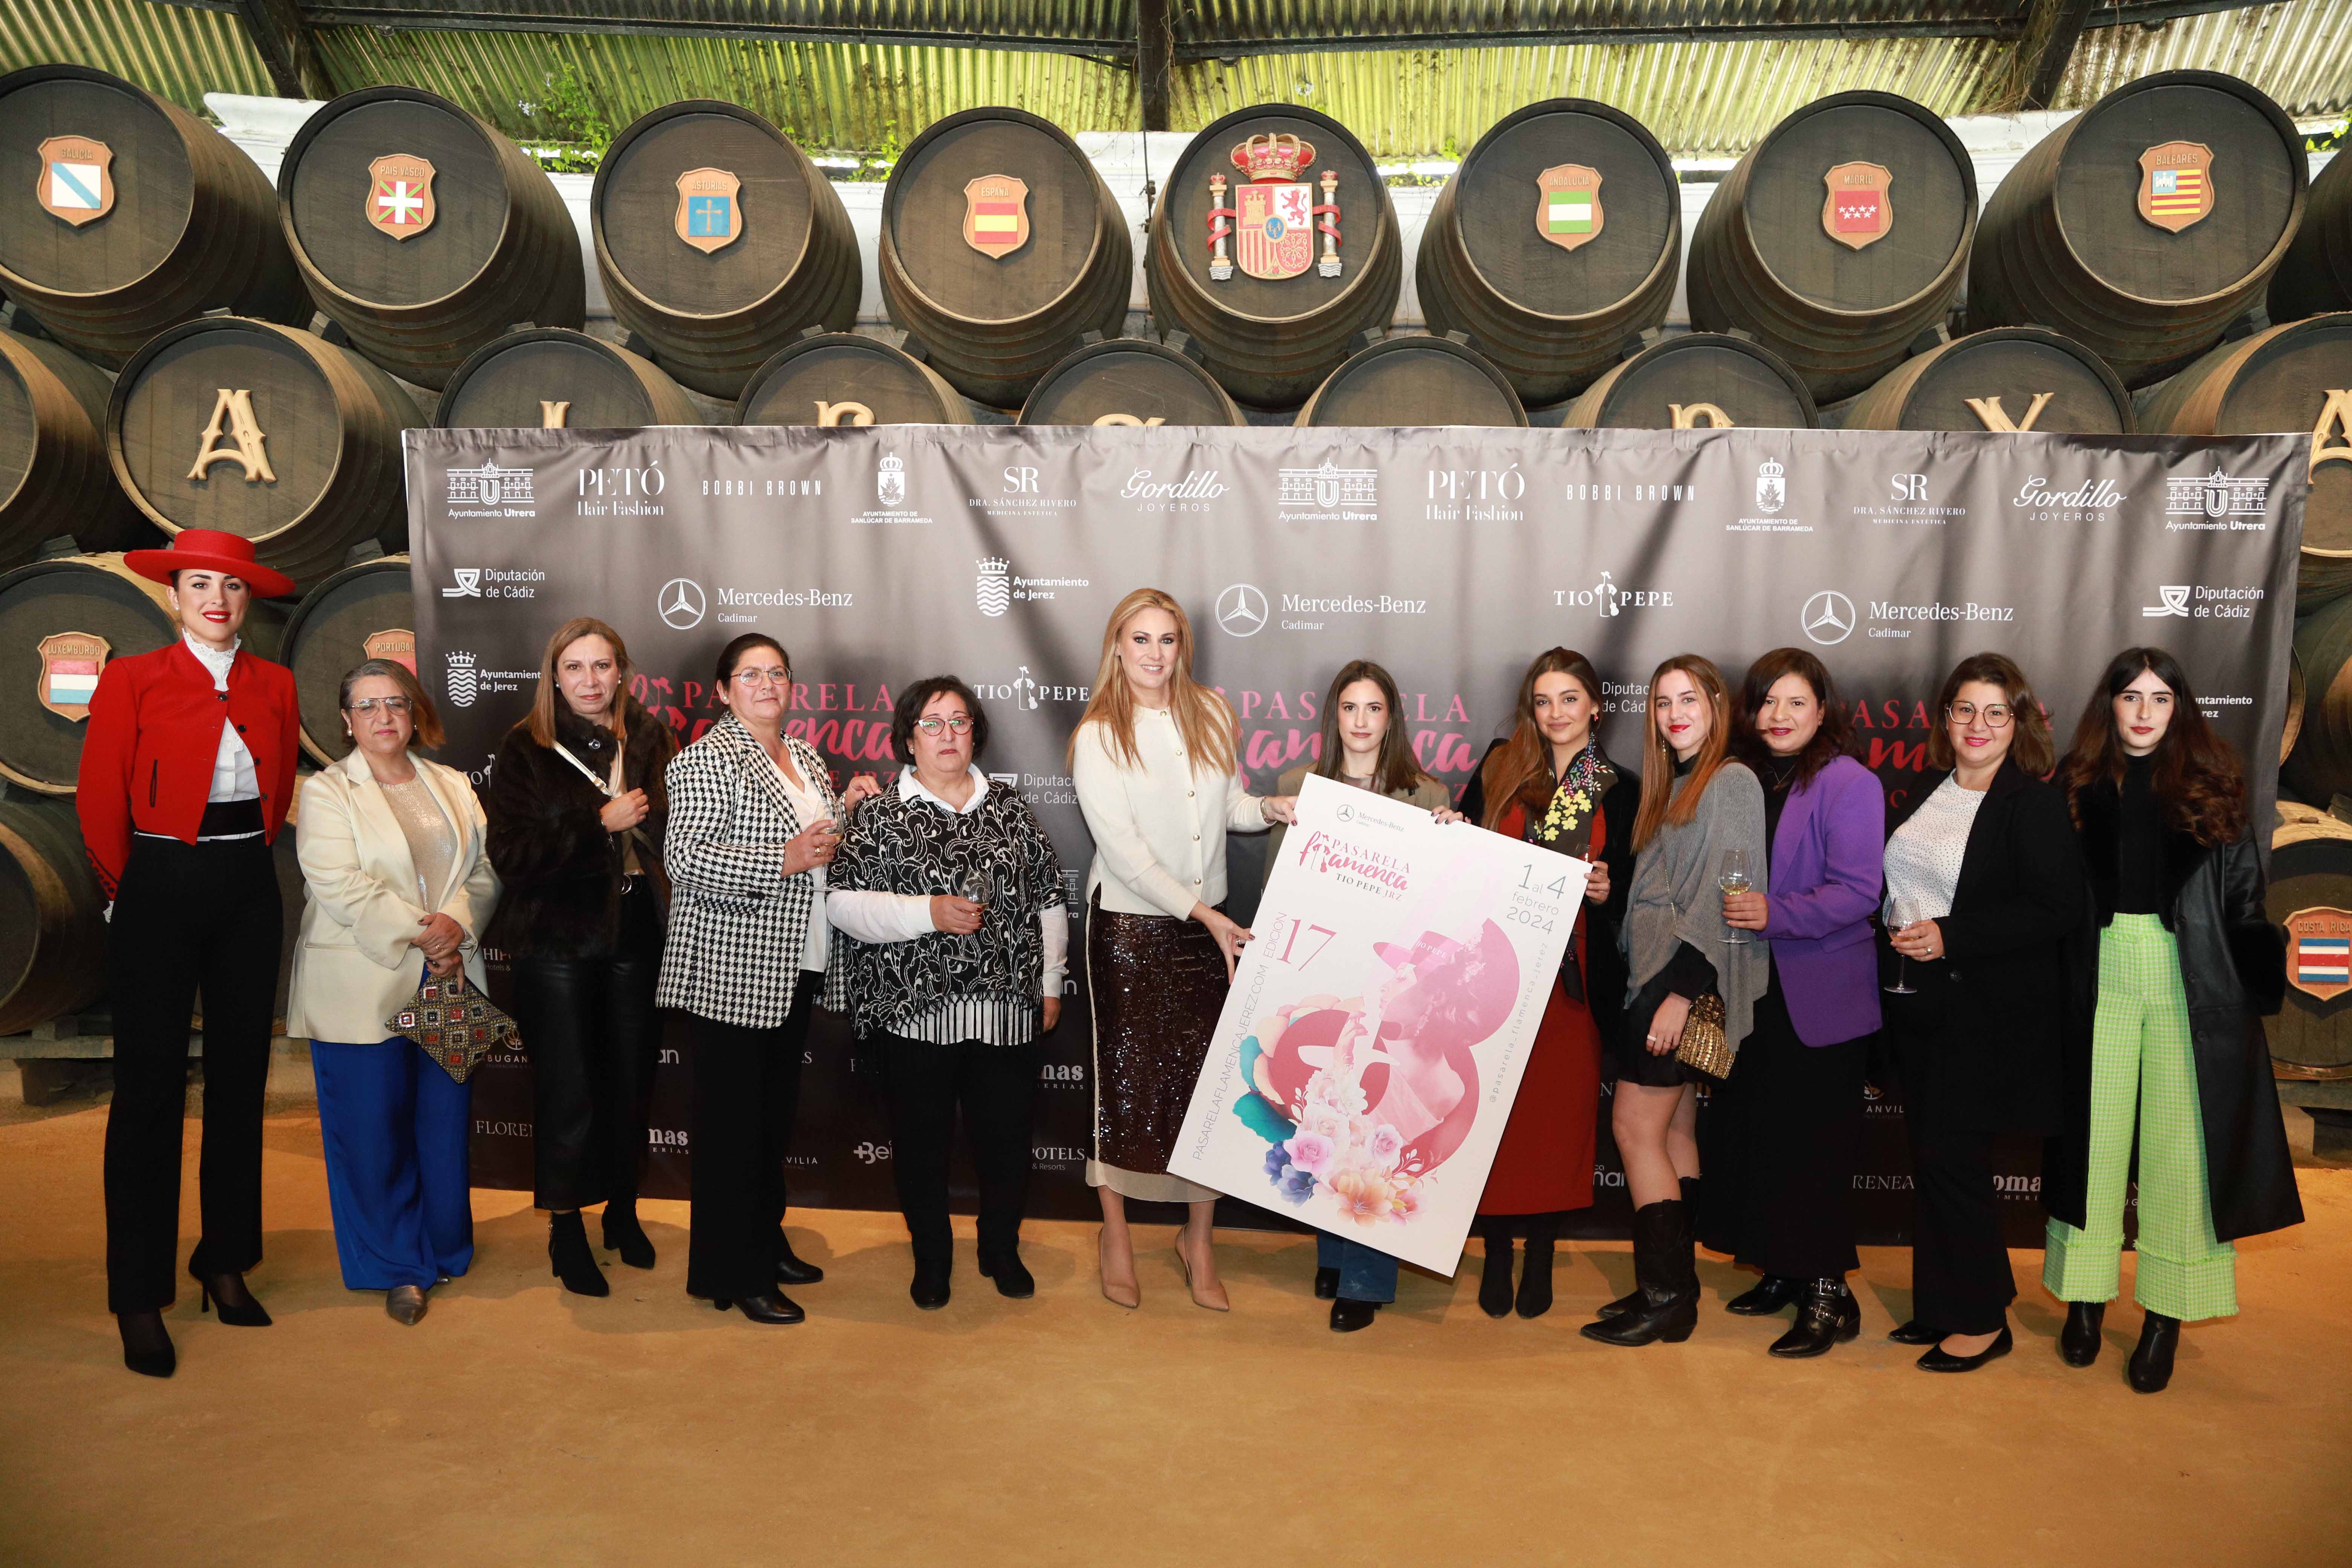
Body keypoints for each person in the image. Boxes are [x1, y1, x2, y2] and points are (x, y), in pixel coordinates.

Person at [2042, 647, 2301, 1392]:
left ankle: (2165, 1317)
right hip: (2099, 974)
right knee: (2092, 1145)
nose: (2146, 711)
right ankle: (2085, 1298)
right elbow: (2052, 895)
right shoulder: (2075, 782)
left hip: (2191, 975)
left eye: (2161, 698)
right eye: (2132, 696)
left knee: (2179, 1155)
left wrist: (2256, 981)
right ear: (2111, 704)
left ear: (2180, 707)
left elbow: (2243, 898)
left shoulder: (2213, 780)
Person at [76, 530, 299, 1378]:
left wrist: (242, 868)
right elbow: (100, 795)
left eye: (231, 587)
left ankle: (225, 1260)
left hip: (247, 880)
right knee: (149, 1088)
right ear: (174, 597)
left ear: (248, 602)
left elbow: (277, 787)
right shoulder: (132, 678)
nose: (216, 599)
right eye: (200, 584)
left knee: (242, 1079)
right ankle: (139, 1293)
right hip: (157, 878)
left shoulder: (275, 684)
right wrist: (124, 893)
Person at [1070, 588, 1295, 1312]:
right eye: (1141, 639)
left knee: (1208, 1087)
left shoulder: (1212, 714)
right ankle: (1115, 1235)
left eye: (1167, 640)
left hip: (1207, 930)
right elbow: (1126, 855)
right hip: (1131, 930)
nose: (1155, 654)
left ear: (1182, 647)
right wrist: (1206, 916)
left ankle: (1198, 1240)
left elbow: (1229, 809)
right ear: (1117, 646)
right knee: (1125, 1084)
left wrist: (1270, 809)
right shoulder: (1098, 735)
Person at [825, 676, 1069, 1310]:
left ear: (975, 734)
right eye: (931, 724)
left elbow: (1049, 897)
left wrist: (1049, 982)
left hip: (1006, 1011)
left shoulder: (1010, 807)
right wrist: (926, 913)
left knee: (1006, 1142)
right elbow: (843, 904)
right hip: (913, 1016)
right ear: (909, 739)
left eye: (959, 722)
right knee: (921, 1147)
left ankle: (1000, 1249)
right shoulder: (880, 814)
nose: (947, 735)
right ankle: (932, 1259)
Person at [659, 635, 881, 1324]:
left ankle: (764, 1240)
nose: (766, 684)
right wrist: (780, 858)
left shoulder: (805, 756)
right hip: (731, 968)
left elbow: (819, 846)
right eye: (750, 674)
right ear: (723, 690)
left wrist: (848, 811)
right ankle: (732, 1272)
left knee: (769, 1122)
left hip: (797, 961)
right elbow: (685, 858)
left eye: (777, 673)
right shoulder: (704, 759)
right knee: (731, 1131)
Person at [1881, 652, 2085, 1372]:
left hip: (1986, 1014)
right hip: (1917, 1001)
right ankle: (1945, 1303)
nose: (1978, 724)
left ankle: (1981, 1319)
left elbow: (2058, 909)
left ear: (2019, 723)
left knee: (1956, 1162)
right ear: (1946, 719)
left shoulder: (2032, 803)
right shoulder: (1926, 789)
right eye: (1965, 709)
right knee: (1934, 1160)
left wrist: (1952, 935)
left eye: (1996, 712)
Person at [286, 660, 498, 1326]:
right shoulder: (327, 792)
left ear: (415, 714)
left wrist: (456, 925)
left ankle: (444, 1247)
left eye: (397, 703)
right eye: (368, 705)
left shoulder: (452, 783)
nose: (384, 716)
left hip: (450, 975)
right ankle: (396, 1266)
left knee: (442, 1125)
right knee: (372, 1133)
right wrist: (427, 935)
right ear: (347, 720)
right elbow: (340, 883)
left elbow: (485, 870)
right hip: (362, 981)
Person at [1263, 660, 1461, 1332]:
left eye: (1374, 709)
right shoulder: (1298, 787)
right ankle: (1334, 1250)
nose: (1361, 721)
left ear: (1391, 718)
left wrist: (1454, 839)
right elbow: (1278, 889)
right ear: (1334, 716)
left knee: (1378, 1124)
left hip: (1393, 991)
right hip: (1325, 978)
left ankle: (1366, 1279)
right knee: (1325, 1115)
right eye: (1350, 708)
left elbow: (1446, 902)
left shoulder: (1427, 794)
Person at [484, 618, 676, 1297]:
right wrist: (597, 824)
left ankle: (623, 1212)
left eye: (601, 666)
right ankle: (565, 1228)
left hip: (637, 931)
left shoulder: (650, 737)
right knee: (568, 1089)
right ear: (555, 677)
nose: (590, 681)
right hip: (557, 938)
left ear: (622, 672)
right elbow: (510, 856)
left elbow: (678, 828)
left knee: (631, 1082)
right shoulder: (525, 746)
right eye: (575, 668)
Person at [1580, 654, 1768, 1348]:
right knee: (1675, 1134)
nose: (1675, 714)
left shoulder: (1732, 780)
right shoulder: (1680, 783)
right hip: (1659, 976)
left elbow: (1729, 896)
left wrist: (1679, 997)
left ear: (1716, 704)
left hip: (1681, 982)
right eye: (1663, 703)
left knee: (1634, 1130)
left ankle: (1667, 1296)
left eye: (1689, 699)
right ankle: (1673, 1288)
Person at [1707, 648, 1885, 1357]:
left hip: (1820, 996)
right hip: (1751, 990)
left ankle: (1827, 1293)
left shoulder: (1850, 783)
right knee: (1762, 1140)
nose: (1779, 716)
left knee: (1815, 1149)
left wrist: (1773, 912)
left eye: (1796, 703)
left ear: (1822, 711)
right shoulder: (1738, 778)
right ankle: (1783, 1268)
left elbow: (1858, 892)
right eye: (1767, 702)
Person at [1455, 649, 1636, 1323]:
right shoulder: (1503, 767)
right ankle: (1497, 1249)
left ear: (1596, 706)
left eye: (1569, 699)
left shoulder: (1618, 786)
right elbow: (1467, 853)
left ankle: (1540, 1251)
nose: (1555, 713)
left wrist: (1609, 890)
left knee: (1556, 1122)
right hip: (1496, 972)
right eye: (1542, 701)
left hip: (1573, 980)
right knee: (1497, 1118)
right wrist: (1452, 829)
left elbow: (1637, 887)